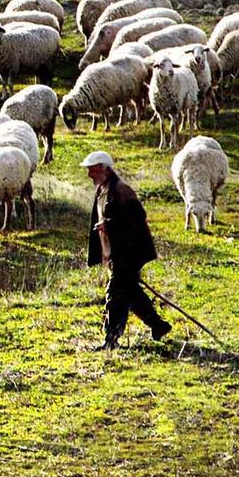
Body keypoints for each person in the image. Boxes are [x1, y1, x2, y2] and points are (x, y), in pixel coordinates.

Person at [83, 150, 172, 350]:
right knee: (130, 292)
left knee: (115, 295)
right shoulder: (102, 190)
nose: (89, 175)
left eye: (92, 170)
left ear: (104, 169)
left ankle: (111, 340)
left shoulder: (121, 190)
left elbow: (137, 218)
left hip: (129, 254)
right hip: (117, 254)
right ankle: (158, 326)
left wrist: (110, 224)